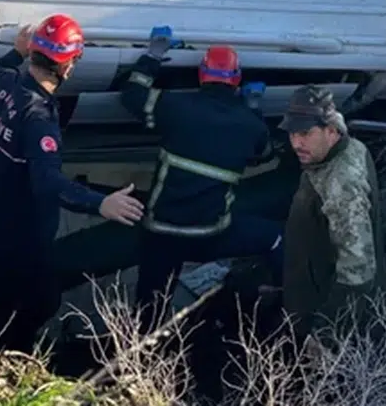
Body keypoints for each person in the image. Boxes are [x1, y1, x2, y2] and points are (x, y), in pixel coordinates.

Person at [0, 13, 145, 352]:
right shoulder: (40, 119)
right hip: (19, 235)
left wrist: (12, 54)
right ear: (69, 66)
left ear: (32, 51)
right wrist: (100, 203)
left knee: (13, 284)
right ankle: (8, 350)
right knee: (42, 301)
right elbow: (47, 182)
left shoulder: (2, 80)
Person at [120, 25, 284, 329]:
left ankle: (139, 358)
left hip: (161, 234)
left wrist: (153, 55)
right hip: (211, 236)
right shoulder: (250, 126)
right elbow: (265, 154)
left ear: (201, 75)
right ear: (236, 80)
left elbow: (131, 96)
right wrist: (253, 109)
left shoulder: (175, 106)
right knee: (275, 236)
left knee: (149, 311)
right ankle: (285, 311)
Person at [278, 84, 385, 344]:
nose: (296, 143)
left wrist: (325, 334)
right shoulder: (345, 148)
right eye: (292, 133)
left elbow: (357, 272)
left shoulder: (342, 185)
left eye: (305, 133)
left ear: (331, 131)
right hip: (311, 290)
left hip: (329, 318)